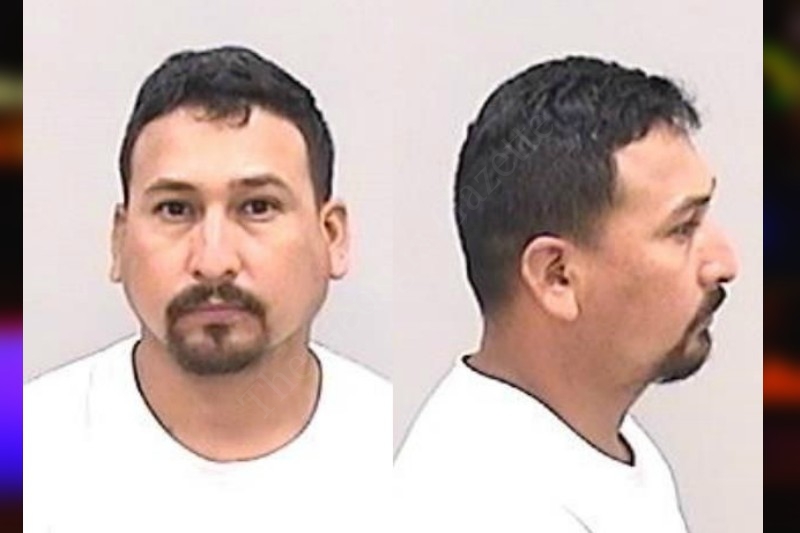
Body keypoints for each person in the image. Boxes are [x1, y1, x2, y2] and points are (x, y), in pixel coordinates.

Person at [24, 46, 389, 532]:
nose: (214, 262)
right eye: (175, 210)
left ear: (332, 237)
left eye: (257, 207)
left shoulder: (408, 455)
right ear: (119, 241)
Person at [396, 56, 738, 532]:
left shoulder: (599, 441)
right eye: (683, 229)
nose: (725, 262)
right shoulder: (482, 508)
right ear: (557, 276)